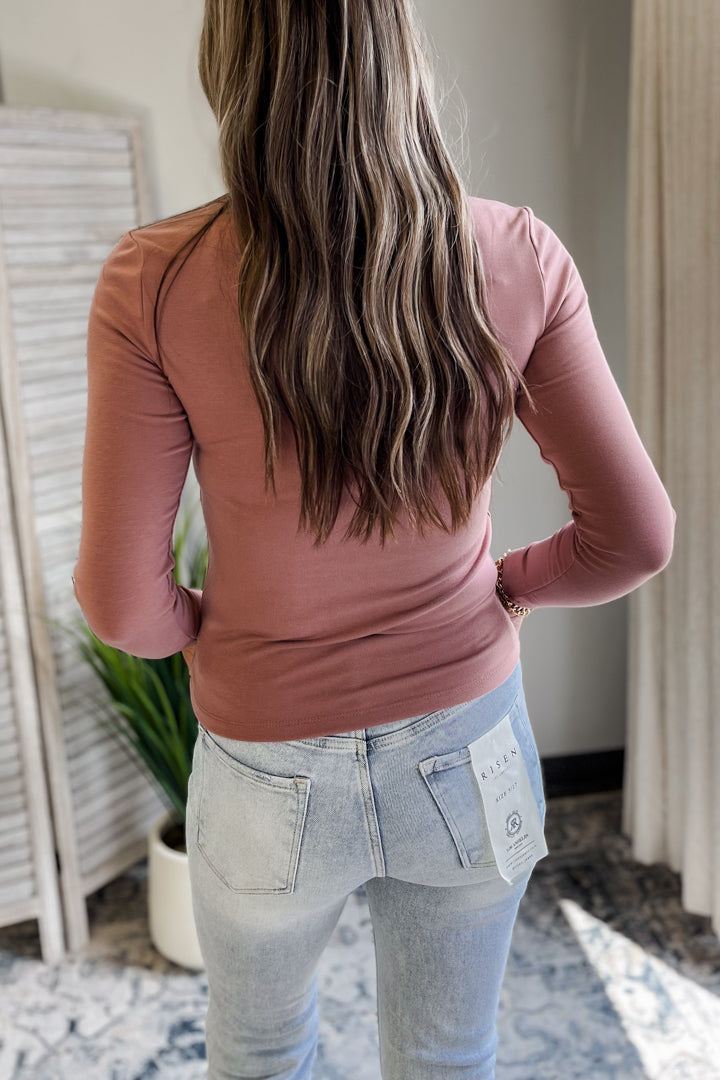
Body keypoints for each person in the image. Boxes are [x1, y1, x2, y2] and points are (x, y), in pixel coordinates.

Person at [72, 1, 676, 1077]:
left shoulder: (153, 279)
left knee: (261, 1053)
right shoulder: (517, 251)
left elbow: (124, 608)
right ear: (401, 57)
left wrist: (214, 636)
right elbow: (635, 537)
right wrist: (509, 588)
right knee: (449, 1056)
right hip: (470, 745)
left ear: (232, 61)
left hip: (264, 765)